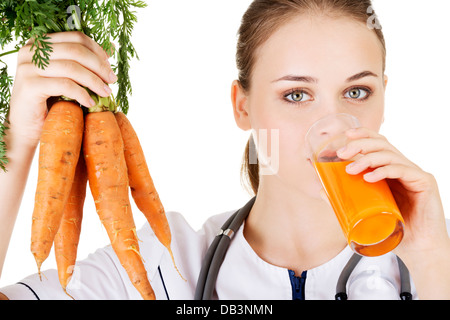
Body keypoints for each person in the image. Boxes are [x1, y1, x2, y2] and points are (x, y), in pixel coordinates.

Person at [1, 0, 449, 300]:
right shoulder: (163, 267)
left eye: (357, 92)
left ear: (384, 97)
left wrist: (432, 263)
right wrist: (18, 141)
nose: (332, 132)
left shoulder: (433, 264)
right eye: (296, 94)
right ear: (243, 106)